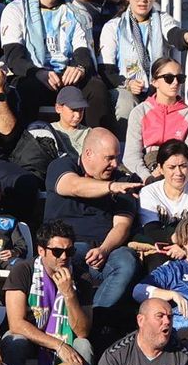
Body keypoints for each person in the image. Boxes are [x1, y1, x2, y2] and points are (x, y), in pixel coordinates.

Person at [0, 0, 109, 126]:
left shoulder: (78, 11)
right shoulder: (15, 10)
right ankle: (26, 147)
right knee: (25, 87)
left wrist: (79, 68)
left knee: (96, 88)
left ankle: (96, 144)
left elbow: (83, 51)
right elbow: (14, 57)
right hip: (35, 74)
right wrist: (38, 73)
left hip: (66, 77)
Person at [44, 128, 142, 317]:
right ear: (88, 153)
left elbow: (122, 225)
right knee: (65, 252)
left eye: (117, 157)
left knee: (127, 260)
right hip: (68, 249)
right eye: (109, 158)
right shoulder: (62, 166)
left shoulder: (123, 181)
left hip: (105, 251)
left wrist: (104, 249)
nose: (115, 164)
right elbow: (74, 186)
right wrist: (111, 188)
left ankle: (95, 319)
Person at [100, 0, 188, 121]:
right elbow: (106, 70)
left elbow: (173, 33)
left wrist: (187, 36)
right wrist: (128, 83)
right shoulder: (113, 26)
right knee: (125, 101)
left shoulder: (162, 19)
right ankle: (126, 144)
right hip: (127, 89)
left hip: (156, 87)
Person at [0, 218, 94, 365]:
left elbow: (82, 331)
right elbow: (16, 324)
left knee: (83, 345)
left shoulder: (82, 277)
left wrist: (69, 294)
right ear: (41, 250)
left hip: (67, 337)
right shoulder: (23, 271)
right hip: (31, 337)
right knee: (14, 341)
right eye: (57, 252)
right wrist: (58, 345)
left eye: (69, 251)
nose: (64, 257)